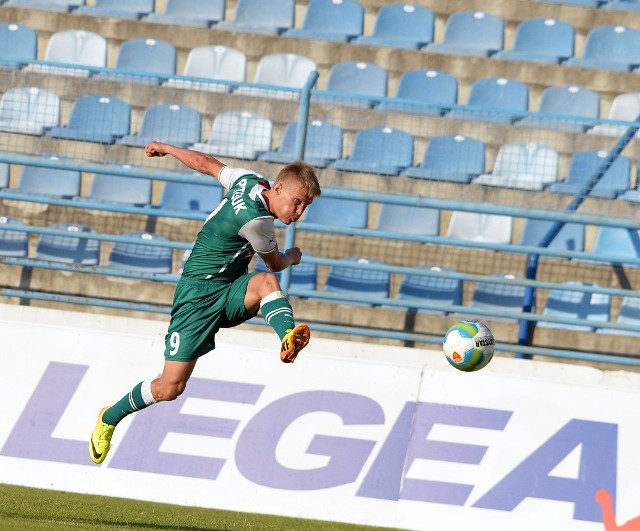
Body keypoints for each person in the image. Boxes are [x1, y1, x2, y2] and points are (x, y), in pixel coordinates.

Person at [89, 141, 321, 464]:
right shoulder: (258, 222)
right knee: (170, 387)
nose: (298, 213)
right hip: (197, 296)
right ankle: (109, 417)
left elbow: (205, 162)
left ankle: (287, 336)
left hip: (228, 290)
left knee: (266, 286)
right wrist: (292, 257)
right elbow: (275, 262)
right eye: (297, 203)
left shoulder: (248, 180)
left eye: (304, 207)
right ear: (279, 188)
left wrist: (167, 149)